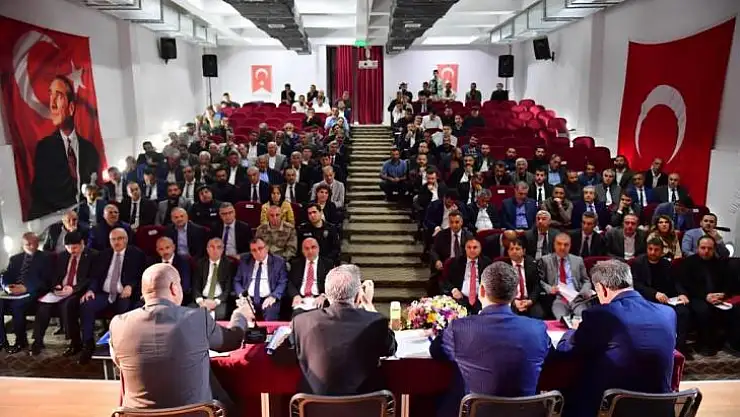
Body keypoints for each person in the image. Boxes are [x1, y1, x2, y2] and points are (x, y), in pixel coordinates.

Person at [110, 264, 254, 413]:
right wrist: (239, 316)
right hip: (195, 414)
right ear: (174, 288)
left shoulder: (118, 324)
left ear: (143, 292)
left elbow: (119, 363)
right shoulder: (198, 318)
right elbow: (233, 340)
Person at [556, 260, 676, 417]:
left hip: (613, 408)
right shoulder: (668, 313)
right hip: (660, 408)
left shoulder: (601, 314)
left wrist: (571, 332)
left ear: (602, 289)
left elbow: (566, 351)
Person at [430, 262, 552, 417]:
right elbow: (553, 356)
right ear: (516, 293)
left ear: (481, 290)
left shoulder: (459, 329)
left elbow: (436, 351)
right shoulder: (537, 329)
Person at [292, 264, 396, 394]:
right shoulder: (375, 321)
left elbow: (280, 356)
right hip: (366, 403)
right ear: (358, 296)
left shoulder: (301, 322)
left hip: (314, 404)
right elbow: (391, 348)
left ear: (326, 294)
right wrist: (369, 306)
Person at [30, 75, 101, 219]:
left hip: (87, 217)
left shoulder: (89, 150)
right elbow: (40, 194)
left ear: (71, 107)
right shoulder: (45, 149)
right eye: (51, 96)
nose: (52, 104)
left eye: (59, 96)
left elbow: (96, 186)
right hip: (60, 220)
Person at [78, 228, 145, 364]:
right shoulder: (103, 255)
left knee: (125, 310)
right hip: (105, 293)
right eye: (113, 239)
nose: (116, 242)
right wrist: (91, 290)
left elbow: (140, 275)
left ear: (126, 239)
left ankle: (122, 347)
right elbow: (95, 276)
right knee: (86, 305)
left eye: (120, 238)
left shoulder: (136, 254)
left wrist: (130, 286)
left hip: (124, 294)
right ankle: (88, 344)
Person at [31, 231, 97, 356]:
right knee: (43, 307)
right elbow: (55, 275)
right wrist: (56, 286)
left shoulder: (92, 255)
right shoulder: (62, 256)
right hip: (61, 290)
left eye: (75, 247)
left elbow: (91, 278)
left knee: (67, 305)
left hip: (79, 291)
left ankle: (75, 342)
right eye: (68, 248)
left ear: (82, 243)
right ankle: (37, 341)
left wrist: (74, 289)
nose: (72, 251)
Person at [679, 236, 740, 356]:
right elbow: (687, 285)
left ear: (714, 249)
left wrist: (723, 294)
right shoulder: (688, 263)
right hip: (697, 296)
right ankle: (704, 344)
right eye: (703, 248)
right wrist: (705, 296)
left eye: (709, 248)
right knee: (703, 310)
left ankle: (731, 343)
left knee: (735, 309)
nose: (706, 251)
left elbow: (728, 282)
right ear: (697, 248)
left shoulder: (720, 263)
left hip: (718, 298)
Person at [631, 238, 691, 357]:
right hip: (646, 299)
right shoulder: (638, 263)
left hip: (667, 299)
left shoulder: (666, 264)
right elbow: (636, 284)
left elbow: (676, 282)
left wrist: (681, 293)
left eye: (656, 250)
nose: (653, 252)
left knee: (683, 312)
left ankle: (679, 348)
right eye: (650, 249)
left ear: (662, 251)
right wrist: (654, 293)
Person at [0, 233, 52, 353]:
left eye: (34, 243)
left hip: (32, 291)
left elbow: (46, 279)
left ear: (37, 243)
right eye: (28, 244)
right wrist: (7, 287)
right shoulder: (15, 259)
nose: (31, 246)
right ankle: (2, 341)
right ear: (22, 245)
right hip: (13, 291)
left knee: (17, 306)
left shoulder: (45, 258)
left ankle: (20, 340)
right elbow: (5, 275)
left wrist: (26, 288)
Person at [538, 233, 593, 319]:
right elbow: (540, 281)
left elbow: (586, 281)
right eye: (559, 244)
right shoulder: (545, 260)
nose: (562, 247)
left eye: (566, 245)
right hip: (558, 298)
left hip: (576, 298)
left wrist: (584, 291)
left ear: (570, 246)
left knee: (583, 318)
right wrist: (550, 288)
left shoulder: (578, 260)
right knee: (562, 319)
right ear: (554, 245)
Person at [232, 238, 287, 320]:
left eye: (260, 248)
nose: (257, 252)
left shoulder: (278, 262)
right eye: (254, 250)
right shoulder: (245, 261)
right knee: (241, 316)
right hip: (248, 298)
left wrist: (273, 296)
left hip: (269, 297)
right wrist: (242, 296)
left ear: (267, 248)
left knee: (270, 313)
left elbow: (282, 282)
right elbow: (237, 281)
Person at [441, 239, 492, 314]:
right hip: (460, 297)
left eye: (475, 247)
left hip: (480, 298)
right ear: (465, 249)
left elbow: (492, 282)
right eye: (469, 247)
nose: (472, 250)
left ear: (480, 248)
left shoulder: (487, 263)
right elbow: (446, 280)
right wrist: (454, 290)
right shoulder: (455, 262)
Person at [192, 238, 236, 320]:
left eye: (219, 247)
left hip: (219, 300)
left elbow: (228, 289)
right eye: (212, 247)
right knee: (191, 313)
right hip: (203, 299)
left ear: (222, 250)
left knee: (220, 315)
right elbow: (195, 286)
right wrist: (200, 301)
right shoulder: (200, 263)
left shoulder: (229, 265)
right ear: (207, 249)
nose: (215, 250)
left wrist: (216, 302)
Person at [288, 238, 333, 315]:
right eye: (306, 248)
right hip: (301, 299)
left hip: (318, 298)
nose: (310, 251)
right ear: (302, 251)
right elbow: (290, 283)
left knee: (318, 316)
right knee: (297, 315)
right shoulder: (296, 264)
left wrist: (323, 296)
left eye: (313, 247)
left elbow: (332, 284)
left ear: (318, 249)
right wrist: (295, 295)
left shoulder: (328, 264)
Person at [507, 240, 545, 318]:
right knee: (510, 317)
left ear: (524, 251)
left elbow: (537, 286)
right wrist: (513, 302)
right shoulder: (503, 266)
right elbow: (502, 289)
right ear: (508, 252)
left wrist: (530, 301)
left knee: (538, 315)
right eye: (511, 249)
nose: (514, 251)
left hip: (529, 300)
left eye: (517, 249)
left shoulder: (532, 264)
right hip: (511, 301)